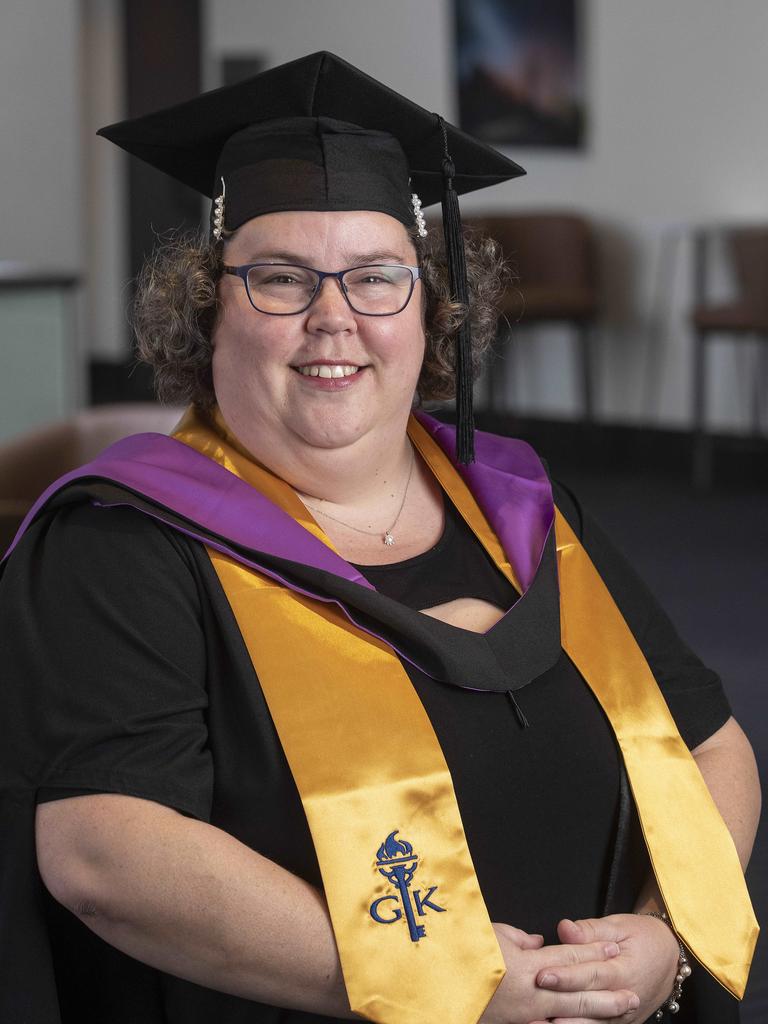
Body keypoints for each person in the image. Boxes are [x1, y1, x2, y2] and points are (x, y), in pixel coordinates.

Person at [0, 52, 759, 1024]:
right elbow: (106, 854)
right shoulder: (127, 542)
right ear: (203, 314)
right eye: (279, 279)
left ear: (431, 310)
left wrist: (673, 934)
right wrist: (438, 978)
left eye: (377, 279)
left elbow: (711, 745)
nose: (334, 319)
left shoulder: (525, 504)